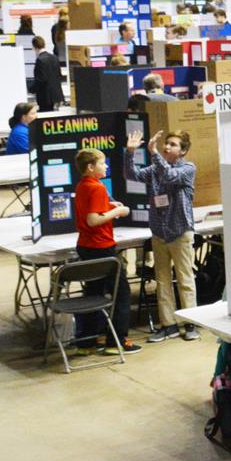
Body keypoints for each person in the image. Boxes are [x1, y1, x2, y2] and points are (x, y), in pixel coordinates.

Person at [125, 129, 200, 344]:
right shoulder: (155, 169)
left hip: (180, 232)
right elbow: (132, 175)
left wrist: (154, 152)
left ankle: (190, 322)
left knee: (185, 279)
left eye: (174, 145)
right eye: (167, 143)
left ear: (183, 150)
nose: (168, 147)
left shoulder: (187, 168)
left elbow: (169, 175)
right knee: (163, 280)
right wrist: (130, 153)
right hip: (159, 233)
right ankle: (169, 325)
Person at [71, 148, 140, 355]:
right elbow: (93, 220)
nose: (106, 166)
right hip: (101, 247)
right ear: (91, 167)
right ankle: (116, 341)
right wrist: (117, 211)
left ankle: (87, 342)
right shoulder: (97, 188)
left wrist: (108, 205)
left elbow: (89, 208)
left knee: (93, 292)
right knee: (121, 293)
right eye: (102, 163)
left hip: (85, 246)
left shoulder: (84, 185)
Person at [29, 36, 64, 112]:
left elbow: (41, 79)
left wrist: (31, 89)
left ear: (34, 46)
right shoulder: (54, 57)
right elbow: (59, 74)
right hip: (56, 95)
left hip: (45, 96)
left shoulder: (40, 60)